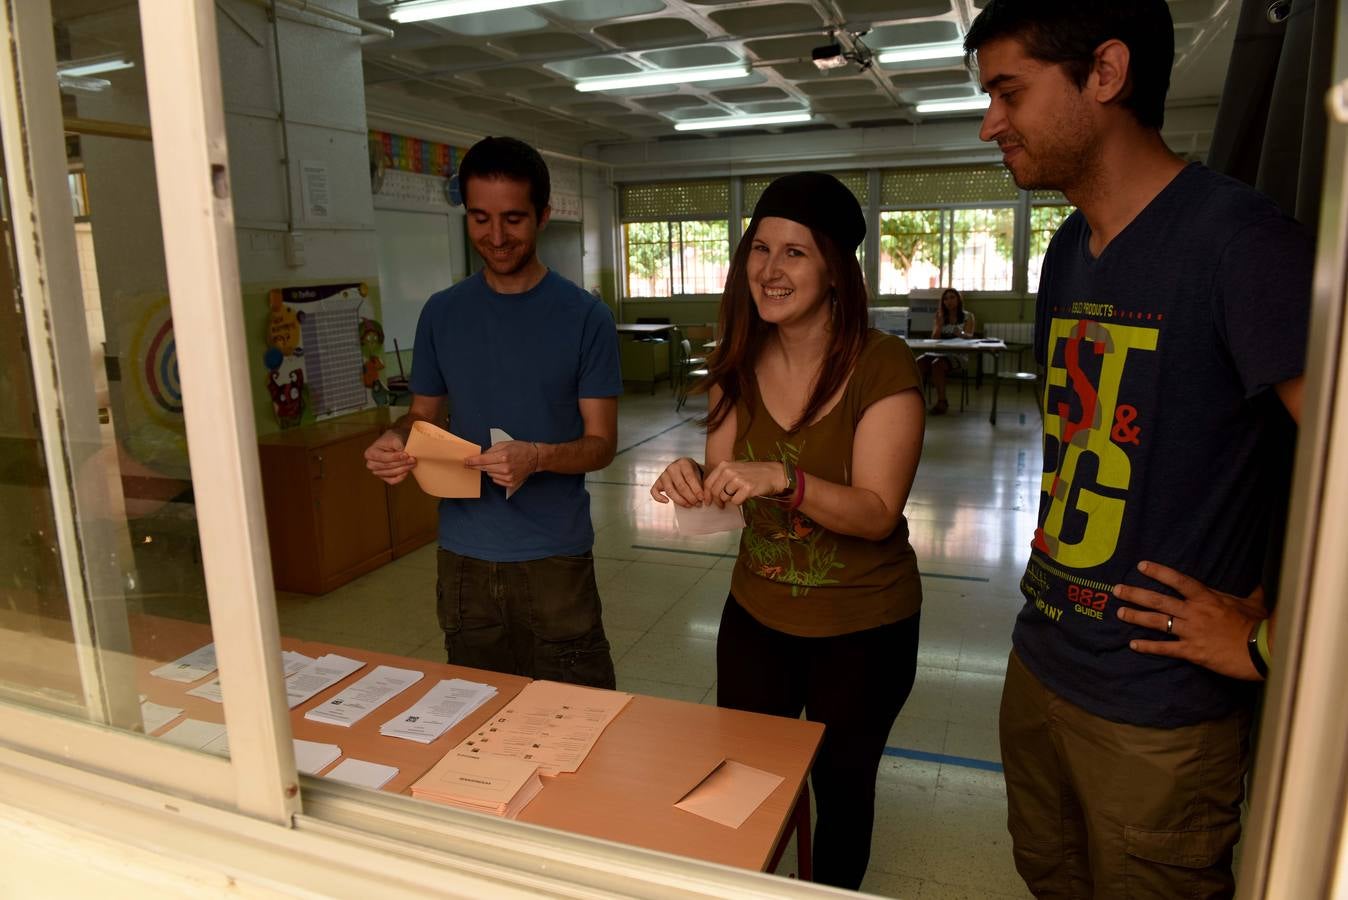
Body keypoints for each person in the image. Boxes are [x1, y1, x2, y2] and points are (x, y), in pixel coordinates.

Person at [964, 1, 1313, 897]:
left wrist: (1275, 642)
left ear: (1106, 74)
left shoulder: (1241, 243)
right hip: (1042, 665)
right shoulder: (1067, 251)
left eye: (1009, 92)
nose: (990, 123)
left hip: (1158, 716)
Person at [650, 172, 926, 890]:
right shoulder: (736, 363)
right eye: (760, 249)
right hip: (758, 615)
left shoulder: (882, 364)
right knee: (742, 786)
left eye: (795, 252)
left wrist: (786, 478)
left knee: (842, 792)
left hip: (863, 627)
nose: (771, 269)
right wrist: (691, 477)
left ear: (834, 267)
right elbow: (725, 491)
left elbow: (877, 512)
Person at [363, 136, 621, 689]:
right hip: (465, 559)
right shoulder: (442, 313)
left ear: (543, 216)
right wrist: (397, 438)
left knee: (576, 708)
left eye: (513, 219)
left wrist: (538, 457)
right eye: (480, 218)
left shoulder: (585, 317)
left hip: (555, 557)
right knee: (476, 709)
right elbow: (422, 416)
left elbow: (601, 443)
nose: (496, 237)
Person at [915, 287, 976, 414]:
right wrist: (938, 326)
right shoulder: (940, 316)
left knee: (937, 364)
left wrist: (961, 334)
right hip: (939, 352)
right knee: (918, 362)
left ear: (958, 300)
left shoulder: (968, 316)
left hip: (958, 354)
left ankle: (942, 402)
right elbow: (934, 339)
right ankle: (916, 400)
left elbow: (970, 337)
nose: (949, 301)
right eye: (946, 299)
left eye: (952, 297)